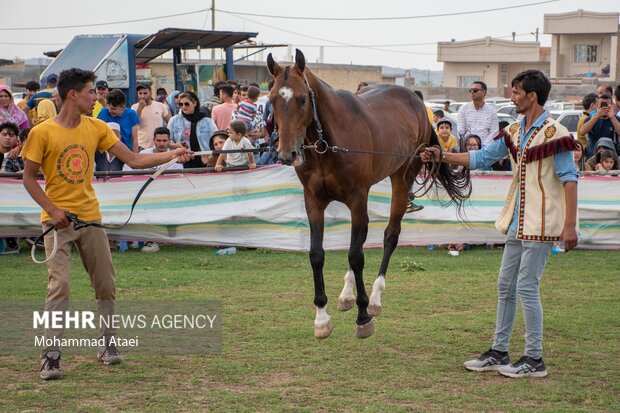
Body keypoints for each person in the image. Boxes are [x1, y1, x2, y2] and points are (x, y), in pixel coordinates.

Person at [20, 68, 192, 380]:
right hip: (55, 223)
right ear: (73, 95)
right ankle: (51, 357)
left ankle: (107, 344)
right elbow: (28, 179)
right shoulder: (42, 132)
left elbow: (135, 160)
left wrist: (173, 155)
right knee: (59, 287)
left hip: (90, 218)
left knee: (106, 284)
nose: (95, 97)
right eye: (90, 92)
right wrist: (52, 208)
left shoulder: (97, 126)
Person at [421, 70, 578, 378]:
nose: (512, 97)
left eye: (516, 92)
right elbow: (482, 157)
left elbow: (570, 180)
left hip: (543, 221)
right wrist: (443, 156)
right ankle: (499, 350)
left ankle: (534, 359)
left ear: (531, 96)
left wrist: (569, 226)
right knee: (506, 285)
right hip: (519, 221)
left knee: (526, 287)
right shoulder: (517, 131)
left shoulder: (555, 133)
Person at [167, 91, 218, 169]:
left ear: (194, 103)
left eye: (186, 104)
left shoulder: (207, 121)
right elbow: (167, 141)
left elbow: (216, 140)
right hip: (182, 160)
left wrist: (210, 157)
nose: (183, 107)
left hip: (204, 161)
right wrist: (175, 145)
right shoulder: (173, 121)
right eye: (181, 104)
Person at [97, 89, 140, 154]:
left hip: (126, 153)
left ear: (123, 107)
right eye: (109, 107)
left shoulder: (132, 114)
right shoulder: (104, 113)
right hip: (108, 153)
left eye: (113, 109)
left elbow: (135, 139)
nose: (109, 111)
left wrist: (135, 156)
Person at [457, 81, 499, 146]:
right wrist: (471, 145)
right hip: (468, 148)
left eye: (475, 90)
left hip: (485, 149)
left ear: (484, 92)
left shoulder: (492, 111)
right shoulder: (463, 109)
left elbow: (494, 132)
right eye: (470, 90)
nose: (472, 92)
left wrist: (482, 147)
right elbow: (460, 131)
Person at [131, 83, 170, 150]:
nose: (142, 96)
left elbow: (170, 122)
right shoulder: (134, 107)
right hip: (142, 145)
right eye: (140, 93)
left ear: (150, 93)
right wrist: (140, 109)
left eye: (145, 93)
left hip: (158, 145)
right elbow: (133, 124)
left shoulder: (160, 106)